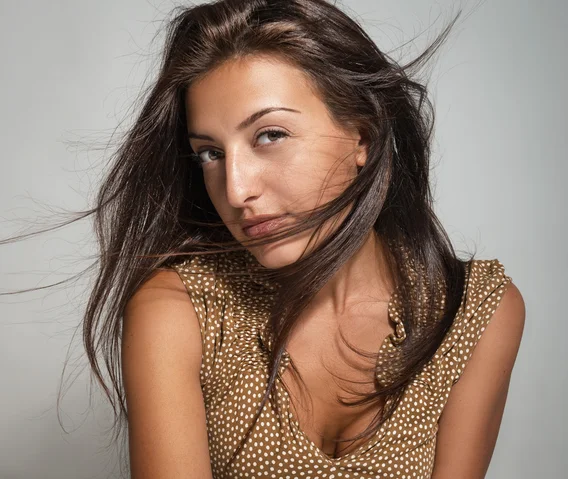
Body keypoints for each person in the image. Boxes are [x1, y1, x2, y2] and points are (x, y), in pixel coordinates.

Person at [2, 0, 524, 478]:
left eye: (269, 135)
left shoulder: (473, 311)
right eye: (210, 153)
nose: (235, 189)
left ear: (362, 136)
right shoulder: (180, 308)